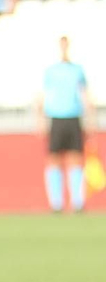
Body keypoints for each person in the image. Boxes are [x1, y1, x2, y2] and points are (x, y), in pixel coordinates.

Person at [39, 36, 93, 212]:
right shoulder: (51, 71)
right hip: (56, 117)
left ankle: (77, 202)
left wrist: (90, 118)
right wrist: (40, 119)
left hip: (73, 117)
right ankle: (56, 203)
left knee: (75, 158)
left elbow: (84, 94)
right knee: (53, 159)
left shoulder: (77, 70)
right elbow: (43, 96)